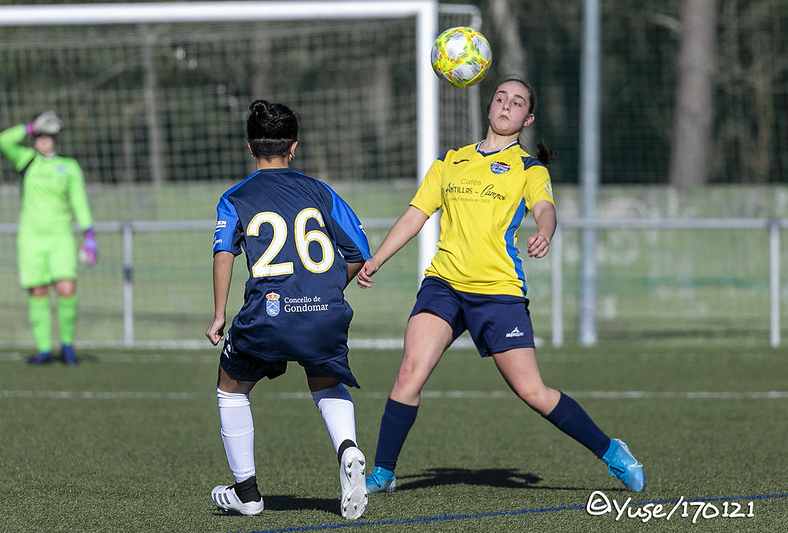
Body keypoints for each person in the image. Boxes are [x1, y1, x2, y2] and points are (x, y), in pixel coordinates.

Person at [356, 76, 646, 495]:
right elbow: (416, 214)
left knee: (532, 391)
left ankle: (610, 450)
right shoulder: (450, 161)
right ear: (489, 107)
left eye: (517, 102)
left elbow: (545, 209)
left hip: (498, 292)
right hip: (444, 284)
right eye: (500, 98)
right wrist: (377, 259)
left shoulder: (529, 169)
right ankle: (384, 472)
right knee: (409, 373)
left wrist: (545, 231)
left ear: (528, 119)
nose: (507, 105)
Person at [206, 100, 371, 519]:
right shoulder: (321, 192)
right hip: (324, 311)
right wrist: (325, 290)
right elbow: (358, 251)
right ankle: (348, 448)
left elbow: (223, 253)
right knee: (325, 378)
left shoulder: (235, 198)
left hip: (268, 314)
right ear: (293, 147)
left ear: (249, 147)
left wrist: (219, 314)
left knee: (231, 386)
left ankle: (246, 493)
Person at [0, 111, 98, 366]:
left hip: (61, 236)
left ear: (56, 138)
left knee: (66, 288)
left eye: (49, 135)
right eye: (40, 135)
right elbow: (3, 140)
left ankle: (67, 347)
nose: (44, 139)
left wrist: (89, 235)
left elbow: (79, 202)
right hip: (31, 238)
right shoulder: (25, 160)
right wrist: (29, 126)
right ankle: (43, 350)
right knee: (38, 291)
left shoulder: (69, 167)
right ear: (34, 138)